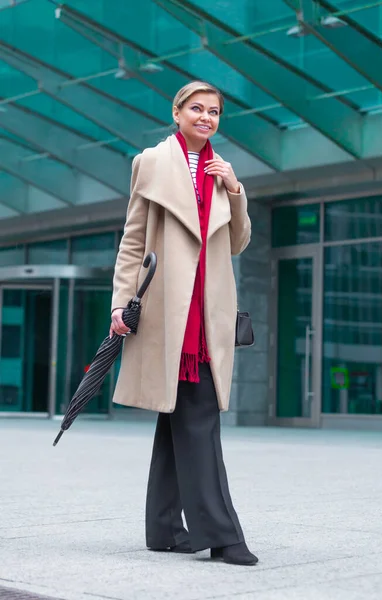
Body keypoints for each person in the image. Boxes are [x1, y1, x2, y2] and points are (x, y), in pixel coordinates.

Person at [109, 81, 257, 566]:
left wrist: (236, 190)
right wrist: (120, 304)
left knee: (181, 415)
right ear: (177, 112)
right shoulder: (150, 163)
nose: (206, 117)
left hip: (206, 311)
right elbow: (133, 242)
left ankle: (165, 529)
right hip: (167, 314)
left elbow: (237, 243)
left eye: (214, 111)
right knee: (199, 416)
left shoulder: (220, 173)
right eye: (197, 108)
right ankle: (223, 534)